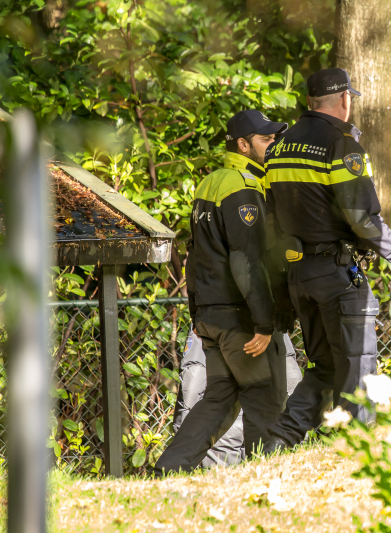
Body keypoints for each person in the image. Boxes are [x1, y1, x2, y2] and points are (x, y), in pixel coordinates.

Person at [261, 68, 391, 453]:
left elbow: (272, 221)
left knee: (325, 367)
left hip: (298, 275)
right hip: (336, 274)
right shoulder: (342, 144)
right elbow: (361, 217)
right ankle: (357, 450)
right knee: (358, 364)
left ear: (309, 101)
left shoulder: (278, 147)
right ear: (344, 100)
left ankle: (279, 439)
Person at [153, 110, 290, 475]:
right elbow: (246, 261)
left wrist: (198, 312)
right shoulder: (242, 187)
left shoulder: (210, 184)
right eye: (266, 140)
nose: (273, 145)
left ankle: (168, 470)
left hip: (213, 317)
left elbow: (195, 256)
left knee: (220, 399)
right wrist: (263, 323)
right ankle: (266, 477)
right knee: (265, 398)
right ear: (243, 145)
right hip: (240, 318)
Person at [172, 328, 303, 467]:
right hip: (260, 324)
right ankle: (263, 464)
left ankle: (171, 467)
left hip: (217, 320)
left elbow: (190, 392)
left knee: (219, 398)